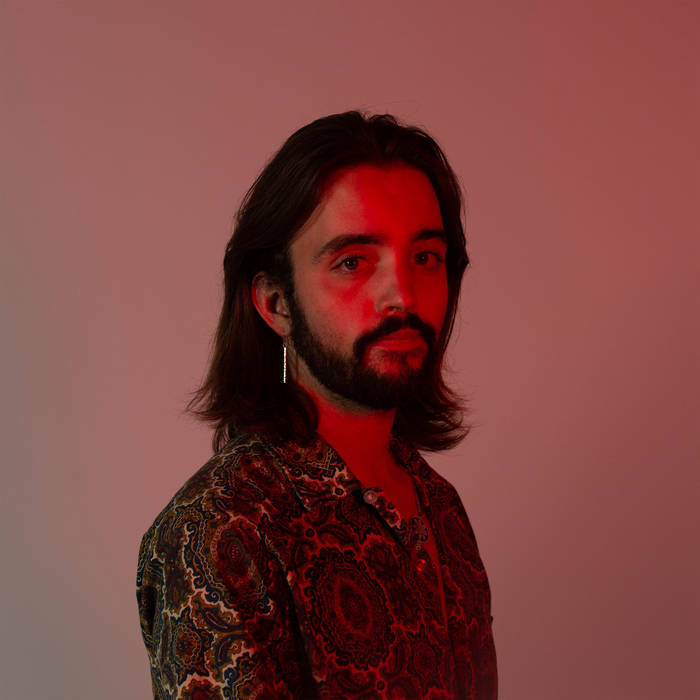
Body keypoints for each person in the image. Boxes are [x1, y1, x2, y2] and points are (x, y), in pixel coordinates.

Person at [136, 111, 497, 699]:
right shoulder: (222, 531)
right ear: (276, 303)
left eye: (425, 258)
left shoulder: (439, 505)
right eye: (353, 262)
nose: (402, 295)